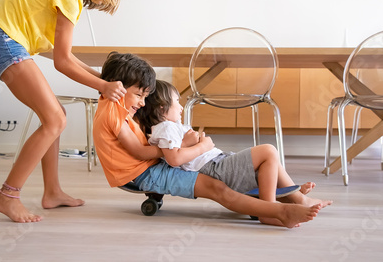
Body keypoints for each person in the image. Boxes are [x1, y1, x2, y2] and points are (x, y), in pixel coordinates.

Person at [0, 0, 127, 223]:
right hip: (3, 41)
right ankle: (7, 196)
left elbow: (61, 54)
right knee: (55, 118)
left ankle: (53, 191)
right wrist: (103, 86)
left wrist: (101, 78)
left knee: (55, 115)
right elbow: (63, 63)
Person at [93, 52, 326, 228]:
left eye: (145, 97)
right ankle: (273, 210)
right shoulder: (112, 111)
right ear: (118, 88)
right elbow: (140, 152)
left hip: (152, 167)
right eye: (139, 95)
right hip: (143, 173)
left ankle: (286, 200)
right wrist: (191, 145)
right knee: (218, 188)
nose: (142, 103)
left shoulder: (115, 106)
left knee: (226, 183)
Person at [136, 80, 333, 224]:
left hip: (217, 161)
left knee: (269, 162)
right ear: (162, 107)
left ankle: (288, 196)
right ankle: (286, 202)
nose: (180, 106)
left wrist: (193, 143)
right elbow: (174, 159)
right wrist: (200, 146)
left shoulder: (170, 126)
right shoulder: (165, 127)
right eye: (176, 101)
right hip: (213, 168)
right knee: (268, 151)